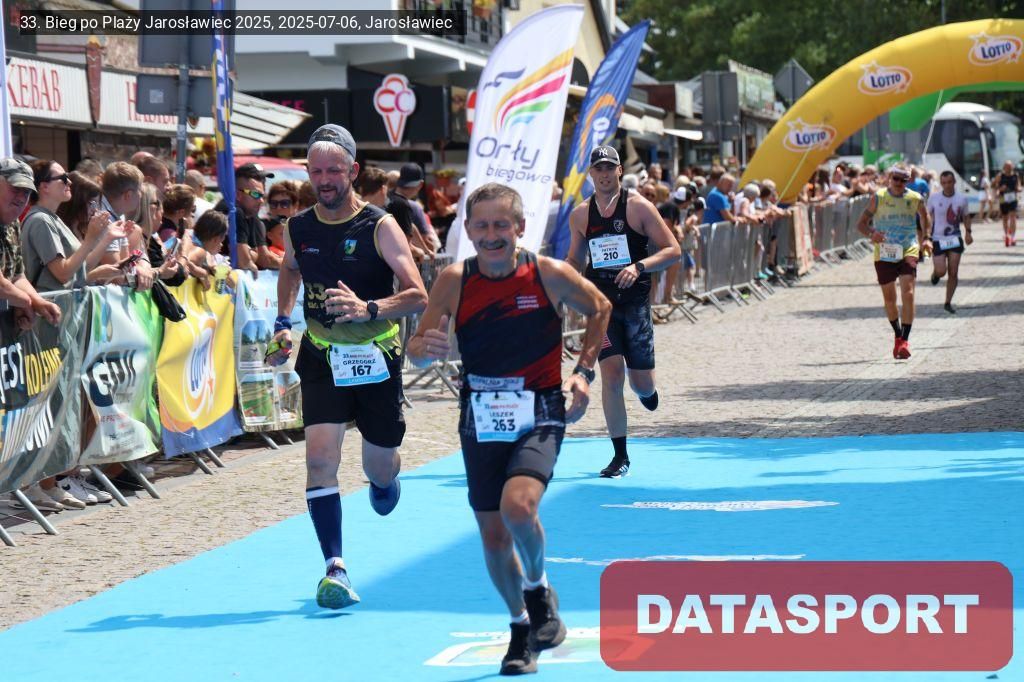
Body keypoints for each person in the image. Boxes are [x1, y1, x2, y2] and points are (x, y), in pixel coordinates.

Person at [407, 182, 611, 676]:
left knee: (519, 507)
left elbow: (601, 308)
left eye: (502, 224)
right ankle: (521, 626)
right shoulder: (455, 280)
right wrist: (424, 349)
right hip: (480, 414)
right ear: (467, 230)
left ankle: (537, 589)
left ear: (520, 228)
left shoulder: (547, 273)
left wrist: (583, 373)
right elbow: (415, 347)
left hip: (539, 408)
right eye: (481, 225)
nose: (491, 234)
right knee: (495, 538)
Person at [266, 124, 427, 610]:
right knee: (319, 460)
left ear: (353, 171)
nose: (324, 180)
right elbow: (290, 271)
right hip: (321, 354)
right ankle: (334, 567)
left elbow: (417, 294)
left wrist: (368, 308)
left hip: (375, 356)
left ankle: (385, 480)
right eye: (315, 172)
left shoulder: (380, 225)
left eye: (333, 171)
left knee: (378, 465)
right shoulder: (298, 227)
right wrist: (283, 324)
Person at [565, 146, 681, 478]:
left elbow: (673, 249)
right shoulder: (581, 215)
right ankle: (620, 456)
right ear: (591, 174)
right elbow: (575, 258)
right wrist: (560, 278)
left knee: (641, 385)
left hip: (634, 306)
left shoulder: (638, 207)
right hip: (600, 307)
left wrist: (638, 266)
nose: (604, 174)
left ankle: (647, 390)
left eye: (609, 168)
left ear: (619, 171)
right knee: (612, 374)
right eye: (598, 169)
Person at [0, 157, 68, 512]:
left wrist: (37, 302)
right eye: (14, 189)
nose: (20, 198)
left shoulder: (12, 224)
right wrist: (24, 300)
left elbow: (16, 274)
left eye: (26, 193)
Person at [856, 165, 930, 359]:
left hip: (908, 248)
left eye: (903, 180)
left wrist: (927, 238)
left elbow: (925, 216)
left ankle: (905, 340)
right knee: (890, 299)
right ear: (890, 178)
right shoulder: (879, 197)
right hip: (885, 252)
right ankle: (898, 335)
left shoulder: (915, 198)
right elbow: (860, 224)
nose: (898, 183)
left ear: (908, 181)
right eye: (895, 179)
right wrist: (872, 234)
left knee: (909, 293)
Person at [22, 160, 121, 292]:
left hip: (61, 302)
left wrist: (99, 272)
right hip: (50, 302)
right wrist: (90, 238)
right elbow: (63, 275)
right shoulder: (41, 220)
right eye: (63, 178)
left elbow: (77, 270)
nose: (69, 182)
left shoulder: (52, 218)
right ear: (44, 186)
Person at [215, 163, 278, 271]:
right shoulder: (233, 211)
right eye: (256, 195)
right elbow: (244, 262)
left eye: (262, 196)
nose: (261, 201)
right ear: (238, 195)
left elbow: (263, 258)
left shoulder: (251, 214)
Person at [928, 170, 972, 314]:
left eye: (949, 182)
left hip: (954, 238)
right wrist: (926, 236)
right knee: (942, 271)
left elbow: (966, 216)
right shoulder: (934, 198)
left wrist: (968, 232)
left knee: (953, 272)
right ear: (941, 183)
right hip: (938, 238)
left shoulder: (962, 199)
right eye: (944, 183)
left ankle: (948, 302)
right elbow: (927, 217)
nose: (947, 185)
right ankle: (936, 274)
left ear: (954, 182)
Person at [264, 180, 301, 258]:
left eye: (284, 203)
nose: (278, 208)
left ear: (295, 206)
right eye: (274, 204)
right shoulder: (261, 230)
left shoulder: (304, 232)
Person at [994, 160, 1018, 247]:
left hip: (1013, 198)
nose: (1009, 168)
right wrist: (1000, 189)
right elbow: (994, 186)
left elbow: (1018, 186)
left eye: (1010, 167)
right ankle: (1006, 234)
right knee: (1005, 218)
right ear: (1004, 167)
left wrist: (1018, 189)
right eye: (1007, 167)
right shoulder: (1000, 176)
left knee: (1013, 217)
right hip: (1003, 198)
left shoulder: (1015, 175)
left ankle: (1013, 236)